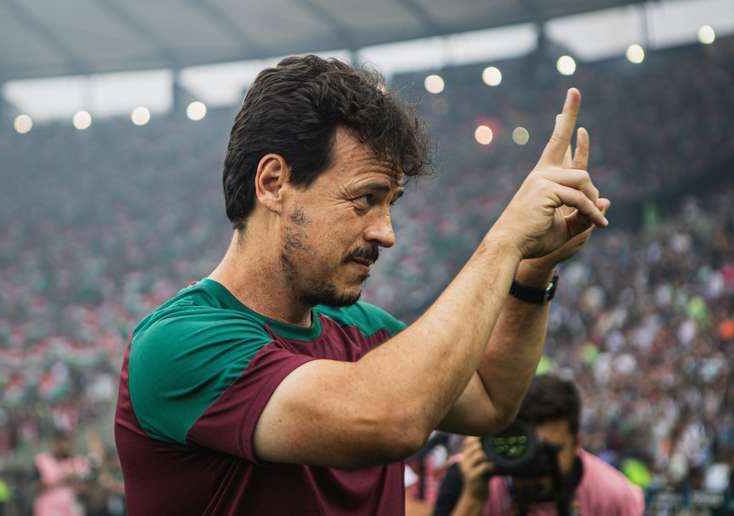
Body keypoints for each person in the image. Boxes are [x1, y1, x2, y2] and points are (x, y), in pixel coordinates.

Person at [114, 55, 610, 515]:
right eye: (365, 199)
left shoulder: (364, 331)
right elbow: (390, 418)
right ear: (272, 183)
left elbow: (492, 400)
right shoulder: (177, 344)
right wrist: (503, 242)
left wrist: (532, 270)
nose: (386, 233)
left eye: (390, 202)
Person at [432, 375, 644, 515]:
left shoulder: (613, 496)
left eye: (548, 451)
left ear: (576, 444)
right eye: (523, 448)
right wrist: (473, 498)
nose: (534, 463)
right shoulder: (468, 477)